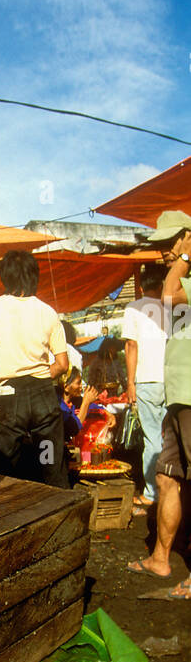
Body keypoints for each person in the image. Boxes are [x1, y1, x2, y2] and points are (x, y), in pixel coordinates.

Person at [128, 210, 191, 596]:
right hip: (177, 395)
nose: (164, 253)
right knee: (167, 477)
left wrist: (184, 256)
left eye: (170, 243)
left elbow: (168, 297)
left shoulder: (183, 279)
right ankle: (161, 557)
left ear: (186, 238)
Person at [0, 251, 70, 488]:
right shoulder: (48, 311)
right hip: (44, 398)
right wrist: (43, 377)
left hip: (9, 397)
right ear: (34, 277)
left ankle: (5, 518)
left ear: (4, 277)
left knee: (3, 468)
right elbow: (63, 364)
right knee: (50, 461)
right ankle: (62, 513)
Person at [123, 264, 168, 510]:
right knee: (170, 439)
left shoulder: (134, 308)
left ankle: (152, 494)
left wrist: (130, 382)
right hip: (172, 381)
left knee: (152, 440)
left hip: (147, 380)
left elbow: (131, 345)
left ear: (140, 286)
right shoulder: (175, 306)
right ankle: (175, 490)